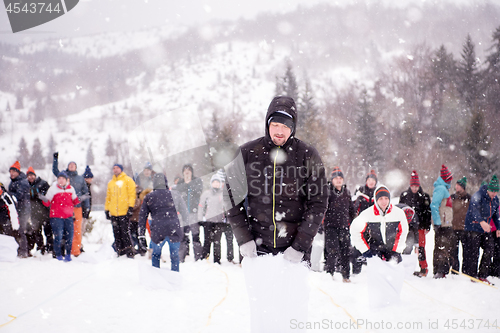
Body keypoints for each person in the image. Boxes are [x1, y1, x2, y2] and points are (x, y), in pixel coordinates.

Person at [224, 95, 328, 263]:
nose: (280, 131)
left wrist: (300, 246)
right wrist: (244, 239)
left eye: (286, 126)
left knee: (292, 291)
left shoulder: (307, 155)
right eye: (275, 125)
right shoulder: (247, 153)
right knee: (259, 291)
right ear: (267, 124)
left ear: (293, 128)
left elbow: (318, 202)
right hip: (257, 250)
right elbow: (230, 197)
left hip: (294, 252)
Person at [139, 173, 189, 270]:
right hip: (174, 229)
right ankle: (174, 277)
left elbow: (142, 217)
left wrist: (141, 234)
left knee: (156, 255)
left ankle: (156, 277)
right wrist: (186, 230)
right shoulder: (175, 195)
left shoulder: (149, 197)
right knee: (175, 257)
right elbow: (185, 213)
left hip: (158, 230)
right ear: (166, 182)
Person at [350, 185, 409, 263]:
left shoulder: (398, 213)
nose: (384, 201)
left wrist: (397, 251)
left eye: (386, 198)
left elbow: (403, 232)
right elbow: (355, 230)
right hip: (374, 253)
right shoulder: (367, 214)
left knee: (394, 274)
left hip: (392, 252)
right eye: (380, 199)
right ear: (376, 200)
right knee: (376, 274)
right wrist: (364, 250)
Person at [463, 175, 500, 284]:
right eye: (492, 191)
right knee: (474, 251)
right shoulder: (477, 196)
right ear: (488, 189)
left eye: (496, 192)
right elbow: (474, 211)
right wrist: (481, 221)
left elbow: (495, 215)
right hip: (473, 226)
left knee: (490, 249)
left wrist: (498, 227)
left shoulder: (495, 199)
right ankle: (472, 275)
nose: (494, 194)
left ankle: (483, 275)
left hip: (485, 228)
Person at [52, 153, 90, 257]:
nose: (72, 166)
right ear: (68, 167)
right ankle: (63, 251)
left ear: (76, 167)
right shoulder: (64, 176)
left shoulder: (80, 178)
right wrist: (55, 160)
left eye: (74, 165)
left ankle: (75, 251)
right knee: (64, 229)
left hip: (77, 207)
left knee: (77, 230)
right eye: (70, 165)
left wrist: (87, 208)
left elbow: (85, 193)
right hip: (64, 207)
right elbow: (55, 171)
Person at [323, 167, 355, 282]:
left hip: (344, 227)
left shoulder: (346, 192)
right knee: (332, 251)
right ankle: (329, 273)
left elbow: (351, 209)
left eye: (340, 178)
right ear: (332, 180)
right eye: (336, 178)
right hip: (330, 227)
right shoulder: (327, 191)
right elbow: (322, 208)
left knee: (346, 252)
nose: (338, 180)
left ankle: (346, 276)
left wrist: (352, 223)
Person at [399, 170, 432, 277]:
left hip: (421, 226)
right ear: (410, 185)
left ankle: (423, 268)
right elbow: (399, 210)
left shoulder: (425, 196)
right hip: (407, 227)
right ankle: (404, 267)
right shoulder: (404, 196)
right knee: (407, 247)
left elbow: (428, 212)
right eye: (412, 186)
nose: (414, 188)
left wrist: (427, 226)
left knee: (420, 247)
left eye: (416, 186)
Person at [42, 172, 80, 261]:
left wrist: (80, 199)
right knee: (58, 237)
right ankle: (58, 255)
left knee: (69, 237)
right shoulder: (53, 189)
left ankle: (68, 255)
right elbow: (47, 203)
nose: (61, 180)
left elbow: (75, 201)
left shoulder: (71, 189)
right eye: (59, 178)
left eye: (63, 179)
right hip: (56, 217)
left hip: (68, 217)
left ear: (66, 180)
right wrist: (44, 200)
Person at [104, 164, 136, 258]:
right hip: (114, 212)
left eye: (117, 168)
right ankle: (120, 251)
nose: (115, 170)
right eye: (114, 168)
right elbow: (108, 198)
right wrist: (107, 209)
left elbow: (132, 195)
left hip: (124, 211)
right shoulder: (111, 183)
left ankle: (129, 251)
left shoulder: (128, 180)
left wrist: (130, 207)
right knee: (116, 233)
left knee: (125, 232)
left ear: (121, 169)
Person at [199, 173, 231, 264]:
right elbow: (201, 206)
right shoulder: (206, 194)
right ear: (211, 183)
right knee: (207, 241)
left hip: (219, 221)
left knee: (217, 242)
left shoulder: (223, 194)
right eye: (214, 182)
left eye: (218, 182)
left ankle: (217, 260)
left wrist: (227, 219)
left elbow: (227, 207)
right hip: (208, 221)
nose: (216, 184)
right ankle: (205, 258)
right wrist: (200, 218)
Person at [350, 169, 378, 274]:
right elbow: (354, 209)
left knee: (372, 247)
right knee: (359, 245)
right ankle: (356, 271)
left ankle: (372, 271)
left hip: (374, 225)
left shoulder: (377, 193)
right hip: (362, 223)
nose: (371, 182)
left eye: (373, 180)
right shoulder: (360, 192)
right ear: (366, 181)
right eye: (369, 180)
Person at [430, 164, 454, 279]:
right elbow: (434, 205)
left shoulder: (443, 188)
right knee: (441, 246)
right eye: (449, 179)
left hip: (446, 223)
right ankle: (439, 271)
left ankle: (442, 270)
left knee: (444, 246)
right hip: (442, 224)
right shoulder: (441, 188)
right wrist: (438, 222)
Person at [176, 164, 204, 262]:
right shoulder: (180, 182)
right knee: (182, 236)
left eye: (189, 170)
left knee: (195, 235)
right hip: (182, 214)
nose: (187, 172)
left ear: (192, 172)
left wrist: (190, 183)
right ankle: (181, 257)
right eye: (185, 170)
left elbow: (199, 191)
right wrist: (185, 184)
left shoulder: (197, 181)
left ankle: (198, 257)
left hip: (193, 212)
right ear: (183, 172)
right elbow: (177, 193)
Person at [26, 167, 52, 255]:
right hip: (34, 212)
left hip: (45, 211)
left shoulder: (43, 183)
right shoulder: (26, 185)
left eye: (32, 175)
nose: (30, 177)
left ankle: (50, 247)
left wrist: (40, 195)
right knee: (37, 232)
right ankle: (40, 247)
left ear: (35, 175)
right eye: (28, 176)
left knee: (48, 230)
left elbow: (49, 195)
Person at [8, 161, 30, 258]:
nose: (11, 173)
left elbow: (18, 196)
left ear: (18, 172)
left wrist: (8, 196)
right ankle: (18, 250)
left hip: (23, 210)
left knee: (20, 230)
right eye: (10, 172)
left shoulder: (23, 182)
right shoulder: (13, 182)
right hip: (16, 210)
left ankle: (24, 251)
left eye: (13, 171)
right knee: (15, 230)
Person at [450, 176, 471, 274]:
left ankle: (466, 270)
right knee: (454, 251)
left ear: (463, 187)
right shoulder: (452, 197)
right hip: (454, 227)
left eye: (458, 185)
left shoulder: (469, 198)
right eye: (456, 185)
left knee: (467, 251)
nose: (456, 187)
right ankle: (455, 270)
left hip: (465, 228)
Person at [81, 165, 94, 236]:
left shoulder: (87, 186)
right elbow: (86, 200)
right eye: (90, 178)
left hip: (84, 212)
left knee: (81, 229)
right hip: (82, 212)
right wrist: (86, 210)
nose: (91, 179)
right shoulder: (85, 187)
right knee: (80, 229)